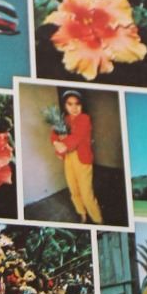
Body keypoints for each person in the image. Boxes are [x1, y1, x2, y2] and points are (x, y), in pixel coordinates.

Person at [50, 90, 104, 223]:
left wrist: (63, 145)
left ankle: (98, 220)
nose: (74, 108)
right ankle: (82, 214)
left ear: (82, 105)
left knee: (86, 193)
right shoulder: (64, 120)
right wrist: (56, 143)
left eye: (77, 104)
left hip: (83, 158)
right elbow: (54, 134)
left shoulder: (85, 118)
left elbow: (77, 137)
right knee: (73, 189)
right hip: (68, 158)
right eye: (70, 104)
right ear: (65, 106)